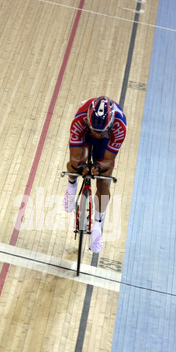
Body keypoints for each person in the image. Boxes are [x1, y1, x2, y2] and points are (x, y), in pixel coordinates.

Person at [63, 96, 127, 253]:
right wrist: (81, 166)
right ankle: (71, 185)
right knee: (78, 162)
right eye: (94, 130)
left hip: (107, 141)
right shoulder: (79, 120)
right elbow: (74, 158)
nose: (96, 134)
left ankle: (97, 225)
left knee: (104, 180)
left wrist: (98, 166)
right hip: (84, 136)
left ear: (110, 124)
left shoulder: (120, 127)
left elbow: (108, 160)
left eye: (100, 131)